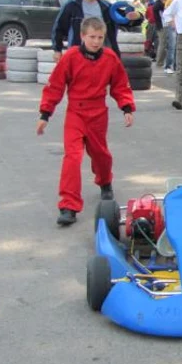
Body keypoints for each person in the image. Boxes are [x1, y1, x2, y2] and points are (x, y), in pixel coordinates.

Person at [36, 17, 135, 226]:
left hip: (98, 113)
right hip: (76, 113)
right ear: (82, 36)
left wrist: (126, 107)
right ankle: (68, 206)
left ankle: (105, 181)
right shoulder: (71, 56)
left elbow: (120, 85)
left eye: (100, 37)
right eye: (92, 37)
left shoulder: (110, 58)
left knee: (100, 155)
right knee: (72, 157)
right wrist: (45, 114)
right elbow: (55, 86)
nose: (96, 41)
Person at [52, 0, 143, 62]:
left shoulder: (107, 7)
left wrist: (137, 16)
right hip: (79, 53)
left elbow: (126, 20)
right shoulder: (72, 6)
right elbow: (59, 28)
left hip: (103, 54)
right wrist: (57, 50)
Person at [154, 0, 169, 68]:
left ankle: (161, 61)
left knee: (163, 44)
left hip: (162, 26)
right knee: (163, 44)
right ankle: (159, 62)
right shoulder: (160, 5)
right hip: (162, 27)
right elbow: (164, 15)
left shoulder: (159, 3)